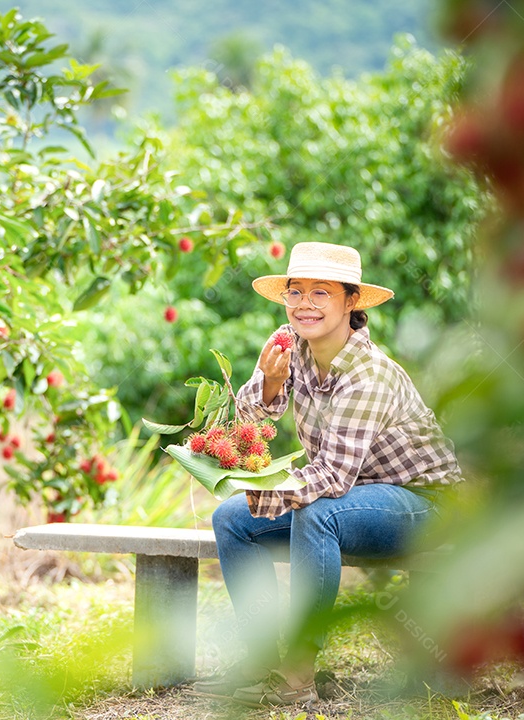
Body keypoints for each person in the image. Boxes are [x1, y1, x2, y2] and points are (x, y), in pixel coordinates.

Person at [193, 242, 463, 707]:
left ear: (351, 301)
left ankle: (298, 673)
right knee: (232, 518)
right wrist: (271, 382)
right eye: (295, 292)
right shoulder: (292, 347)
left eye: (321, 293)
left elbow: (332, 478)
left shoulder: (368, 374)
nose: (304, 305)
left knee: (317, 513)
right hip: (355, 496)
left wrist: (271, 493)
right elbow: (247, 424)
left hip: (422, 503)